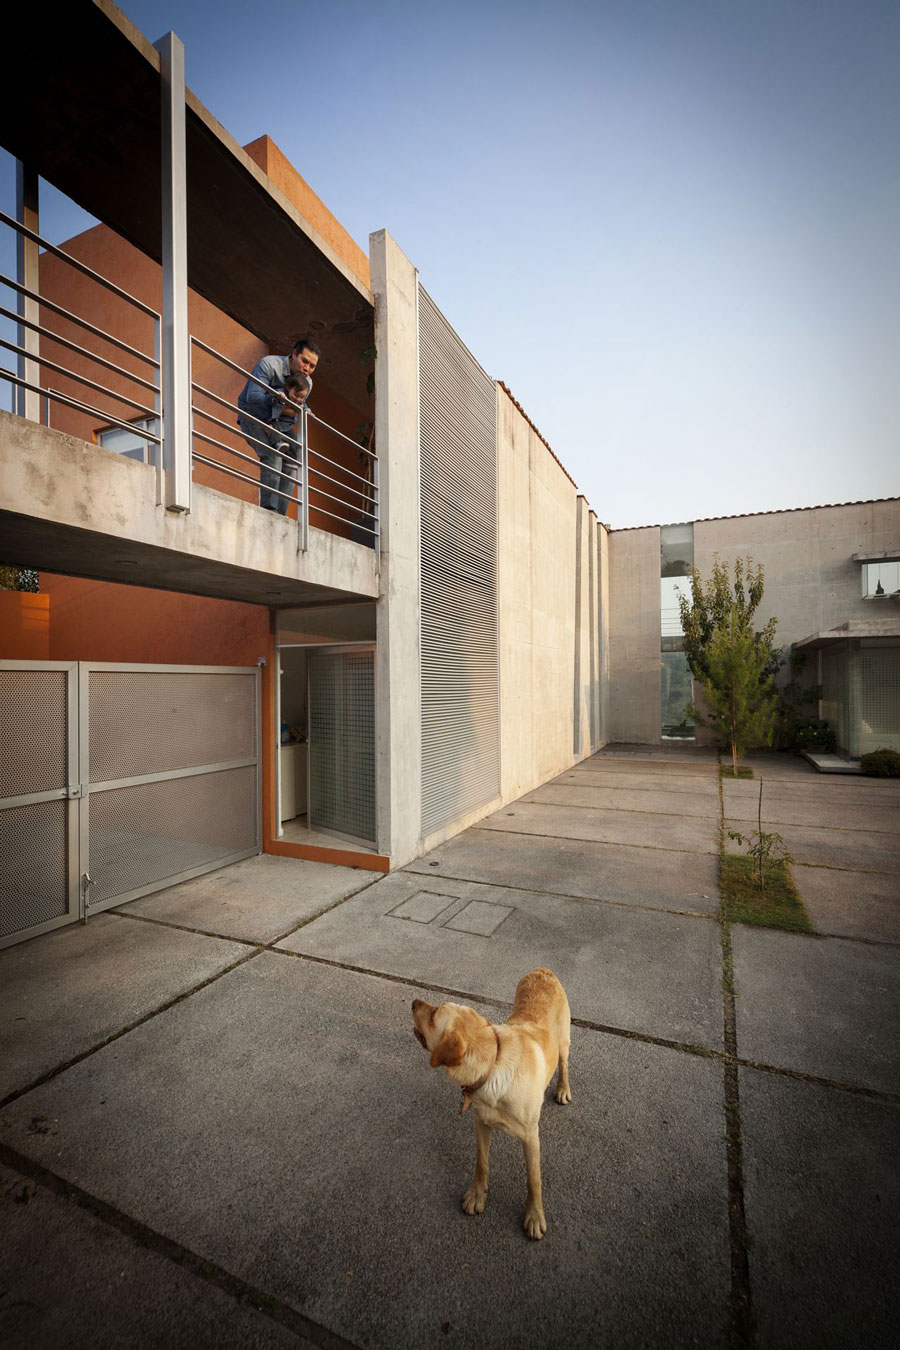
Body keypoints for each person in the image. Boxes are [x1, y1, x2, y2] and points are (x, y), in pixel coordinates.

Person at [237, 338, 320, 512]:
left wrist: (299, 411)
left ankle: (280, 514)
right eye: (304, 361)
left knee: (295, 457)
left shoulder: (308, 383)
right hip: (253, 416)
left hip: (280, 424)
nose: (307, 368)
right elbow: (252, 398)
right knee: (272, 455)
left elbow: (295, 411)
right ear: (294, 354)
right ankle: (269, 510)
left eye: (312, 366)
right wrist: (279, 403)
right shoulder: (269, 364)